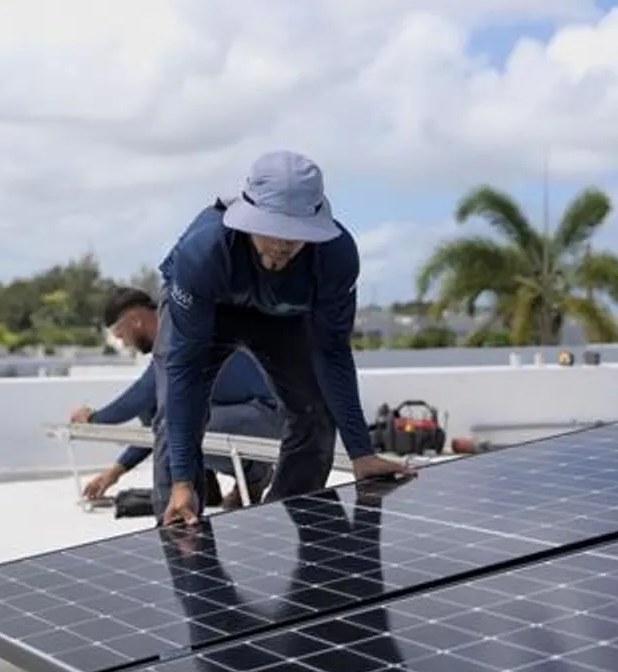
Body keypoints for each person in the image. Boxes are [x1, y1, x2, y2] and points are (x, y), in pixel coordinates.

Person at [153, 150, 414, 526]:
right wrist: (181, 482)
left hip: (280, 316)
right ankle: (181, 523)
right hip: (210, 308)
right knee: (175, 416)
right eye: (272, 230)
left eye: (295, 235)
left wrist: (361, 452)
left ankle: (278, 525)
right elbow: (185, 371)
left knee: (316, 411)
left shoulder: (336, 257)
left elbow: (333, 354)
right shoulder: (204, 253)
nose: (281, 244)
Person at [72, 287, 281, 508]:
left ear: (135, 321)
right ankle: (204, 483)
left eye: (121, 336)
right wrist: (114, 472)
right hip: (237, 408)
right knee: (158, 409)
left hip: (266, 411)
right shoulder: (170, 337)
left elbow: (141, 398)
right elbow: (156, 423)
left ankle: (255, 474)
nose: (124, 344)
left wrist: (93, 419)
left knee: (179, 419)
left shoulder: (179, 332)